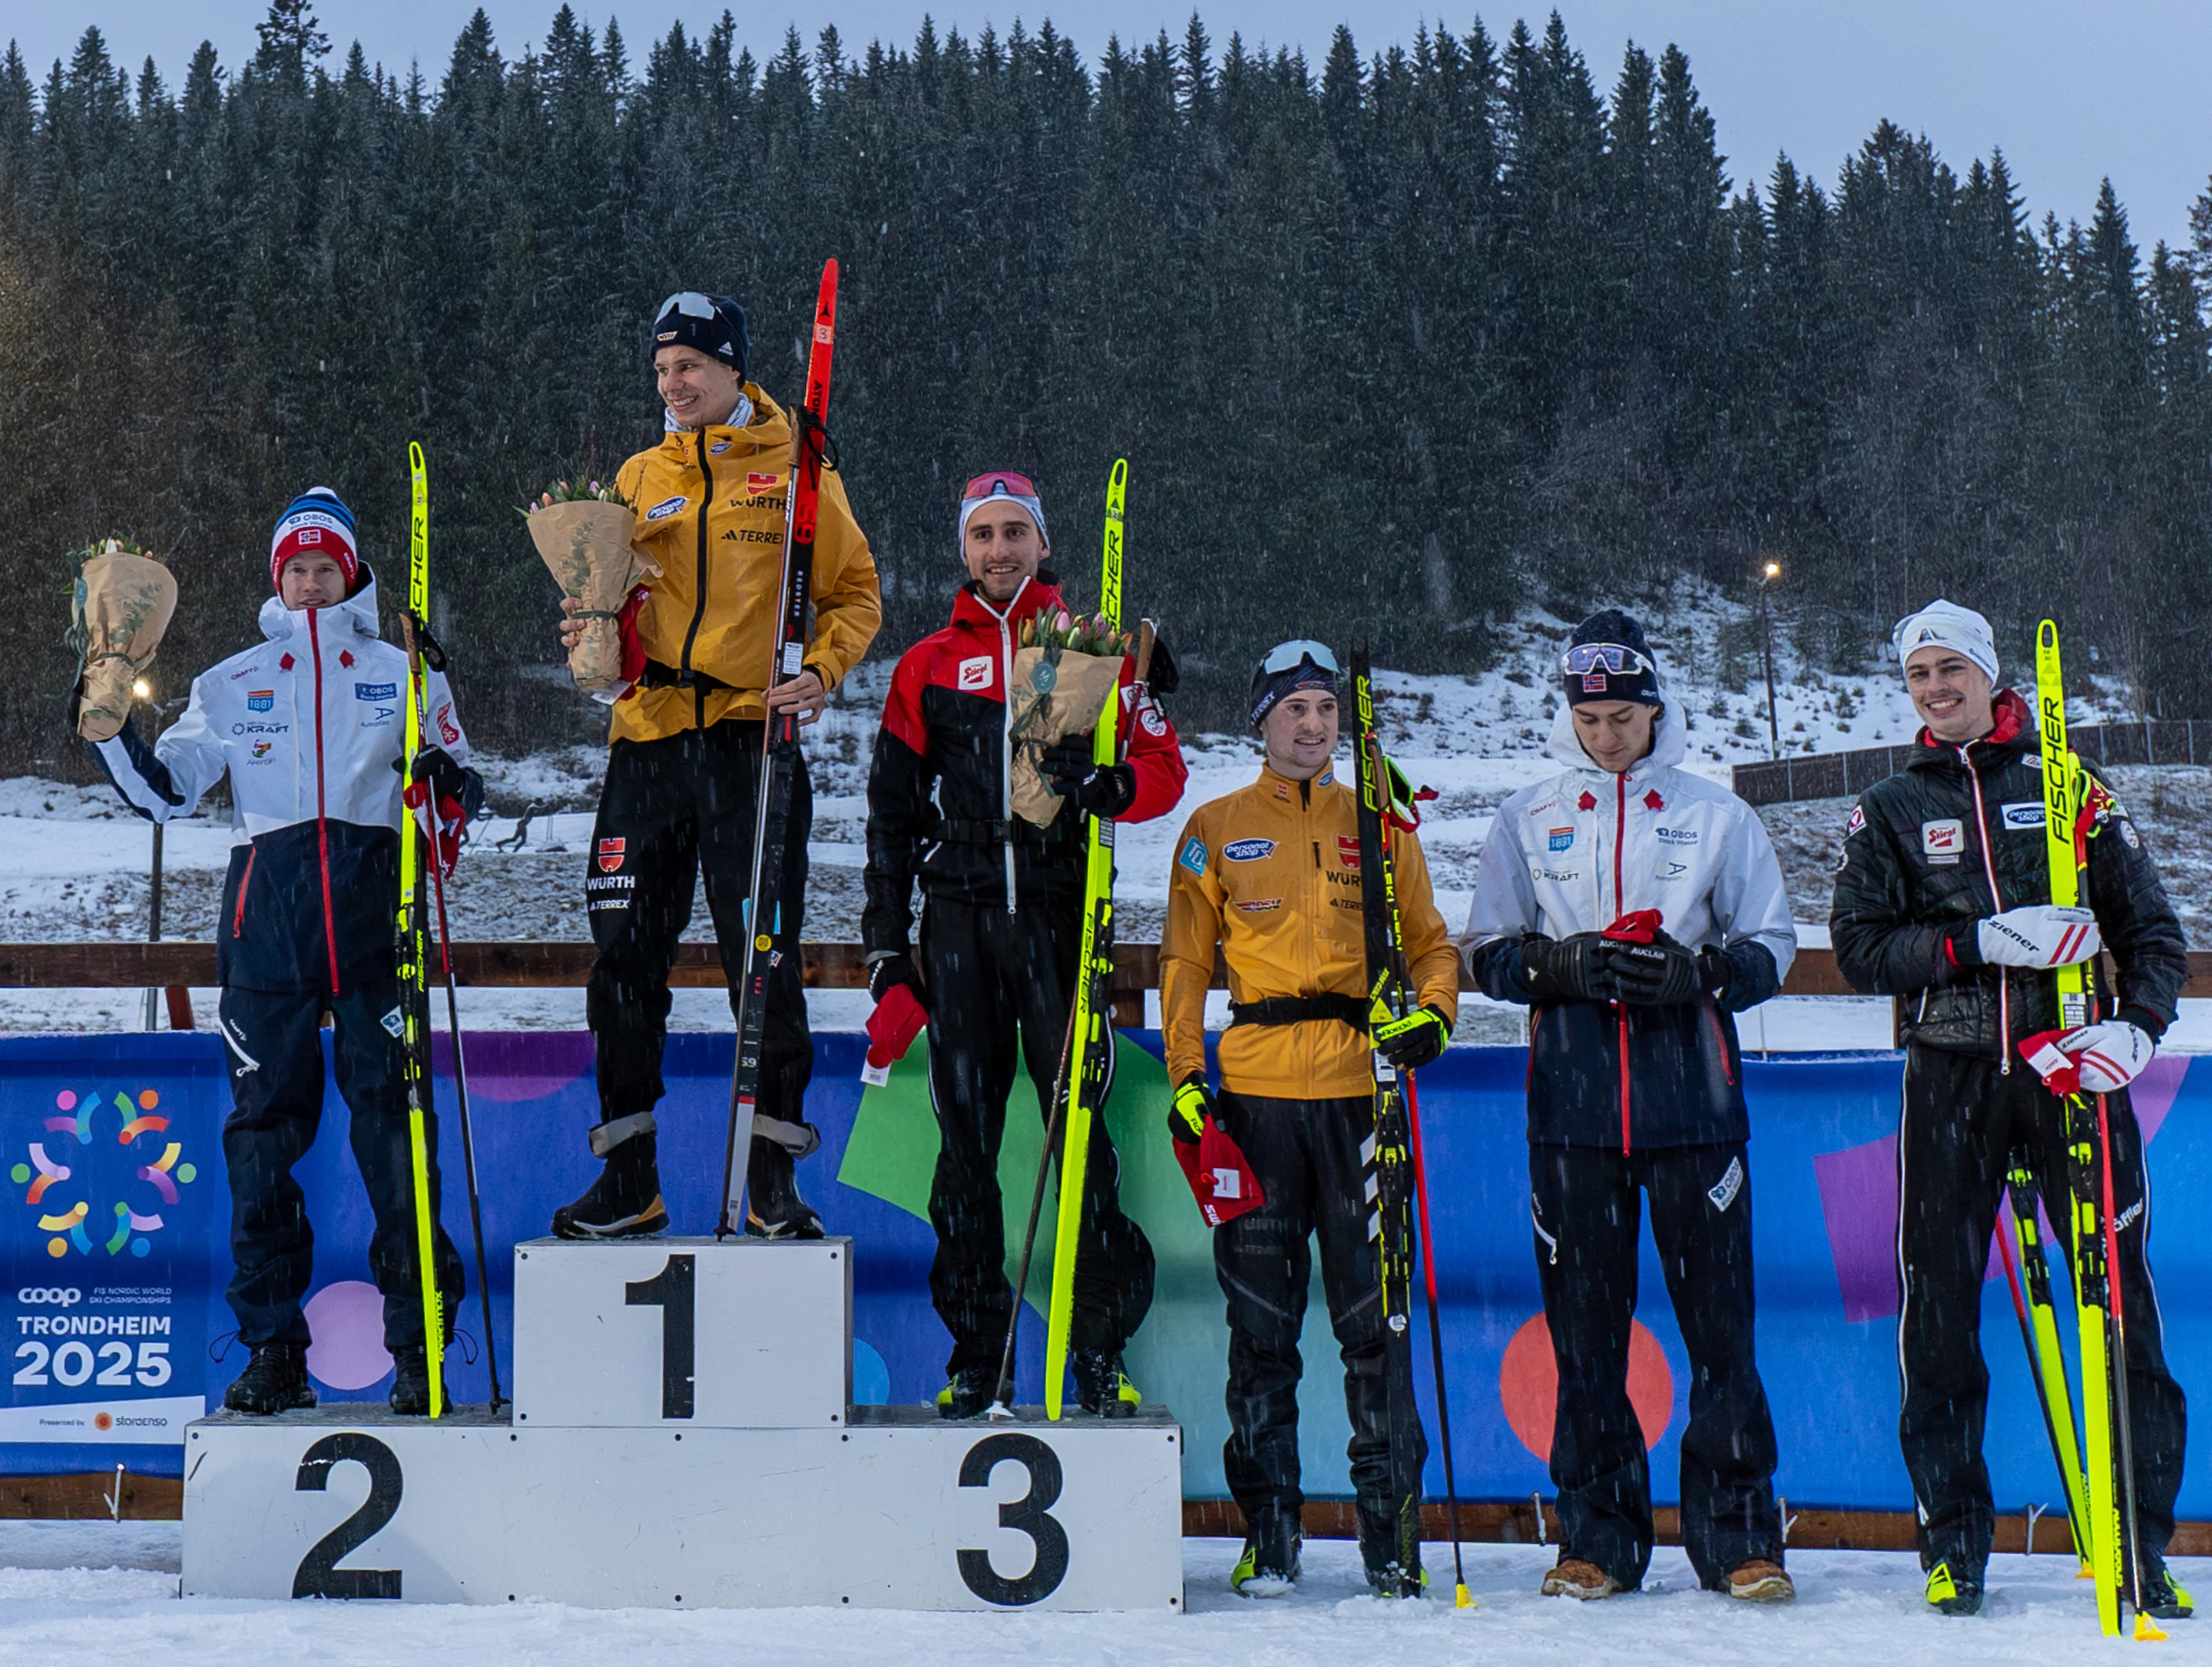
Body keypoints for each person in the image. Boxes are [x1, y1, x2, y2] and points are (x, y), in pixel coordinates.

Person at [1830, 598, 2189, 1619]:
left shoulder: (2069, 782)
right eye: (1918, 673)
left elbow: (2151, 928)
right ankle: (1955, 1544)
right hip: (1952, 1074)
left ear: (1992, 676)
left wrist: (2137, 1027)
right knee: (1937, 1314)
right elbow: (1860, 948)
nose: (1936, 687)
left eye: (1952, 668)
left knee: (2120, 1301)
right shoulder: (1892, 805)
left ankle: (2138, 1540)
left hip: (2073, 1070)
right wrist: (1975, 941)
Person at [91, 488, 479, 1416]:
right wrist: (111, 729)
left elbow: (459, 801)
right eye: (295, 568)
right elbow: (169, 790)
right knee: (260, 1145)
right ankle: (272, 1350)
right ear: (278, 579)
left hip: (376, 923)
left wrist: (444, 784)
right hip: (265, 929)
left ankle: (421, 1348)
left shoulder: (403, 670)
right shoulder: (232, 679)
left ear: (351, 573)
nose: (310, 582)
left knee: (399, 1141)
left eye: (325, 566)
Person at [1461, 608, 1797, 1605]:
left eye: (1626, 713)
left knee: (1721, 1333)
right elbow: (1486, 949)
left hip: (1696, 1108)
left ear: (1658, 709)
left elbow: (1770, 944)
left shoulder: (1716, 812)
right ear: (1572, 716)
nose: (1610, 732)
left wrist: (1699, 969)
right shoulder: (1527, 814)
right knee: (1587, 1337)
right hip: (1571, 1117)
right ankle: (1598, 1538)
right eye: (1593, 715)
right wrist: (1558, 961)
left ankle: (1738, 1534)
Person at [551, 290, 881, 1241]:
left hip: (751, 742)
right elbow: (605, 597)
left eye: (690, 365)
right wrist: (592, 642)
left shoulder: (797, 466)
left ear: (733, 367)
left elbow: (855, 594)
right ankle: (629, 1177)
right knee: (622, 962)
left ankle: (773, 1177)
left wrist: (820, 671)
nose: (674, 383)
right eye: (661, 370)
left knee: (763, 963)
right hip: (646, 742)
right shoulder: (638, 472)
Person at [863, 471, 1182, 1418]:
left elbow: (1163, 769)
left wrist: (1114, 788)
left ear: (1044, 544)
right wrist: (887, 951)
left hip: (1057, 921)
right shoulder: (924, 663)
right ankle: (978, 1352)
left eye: (1016, 534)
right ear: (963, 549)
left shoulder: (1094, 647)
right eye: (983, 535)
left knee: (1079, 1141)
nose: (999, 550)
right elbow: (888, 817)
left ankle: (1096, 1349)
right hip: (957, 924)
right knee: (964, 1152)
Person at [1160, 641, 1458, 1599]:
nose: (1314, 723)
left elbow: (1433, 946)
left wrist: (1432, 1017)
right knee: (1262, 1335)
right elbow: (1185, 967)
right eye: (1295, 707)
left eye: (1328, 708)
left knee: (1376, 1329)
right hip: (1253, 1102)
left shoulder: (1379, 824)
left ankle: (1391, 1538)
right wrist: (1187, 1074)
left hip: (1359, 1097)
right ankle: (1272, 1535)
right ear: (1260, 718)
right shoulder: (1214, 827)